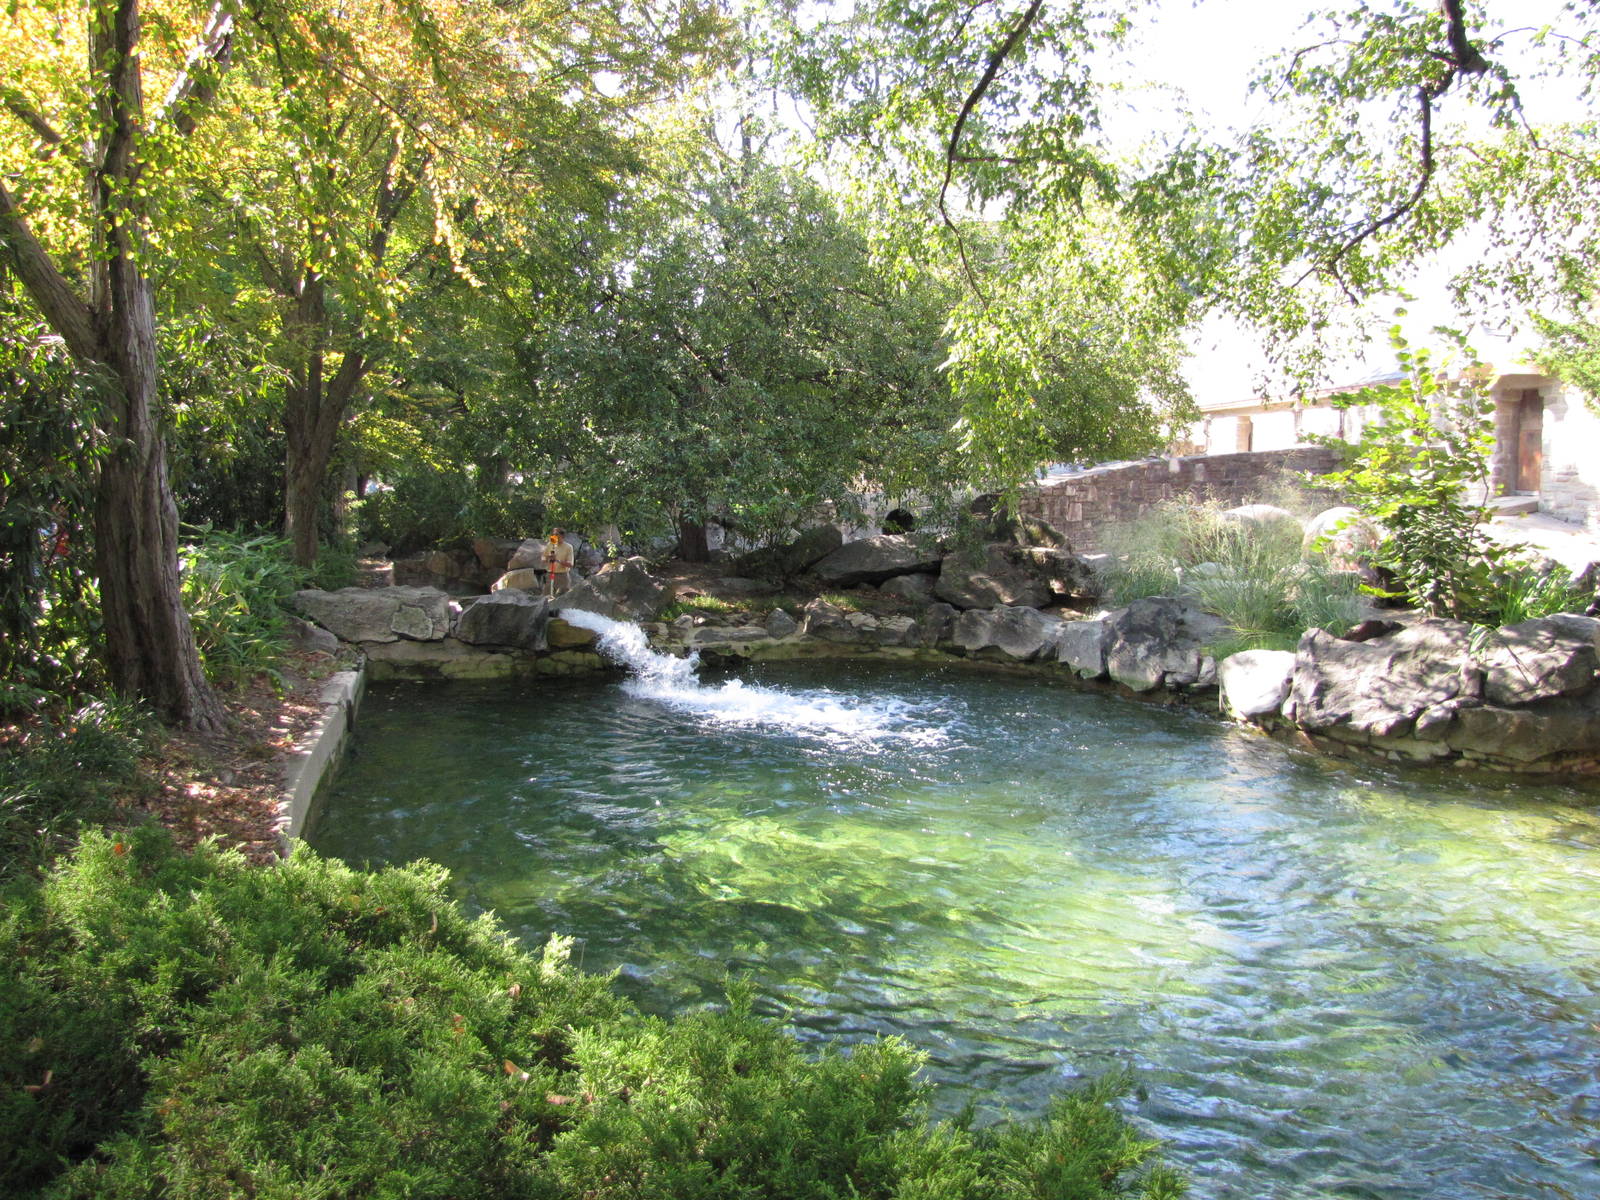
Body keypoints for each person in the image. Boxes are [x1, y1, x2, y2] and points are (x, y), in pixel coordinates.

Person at [542, 527, 575, 596]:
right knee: (546, 597)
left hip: (563, 576)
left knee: (564, 598)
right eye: (553, 534)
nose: (554, 536)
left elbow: (570, 564)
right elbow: (543, 558)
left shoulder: (568, 547)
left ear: (562, 536)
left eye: (556, 534)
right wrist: (548, 558)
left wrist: (557, 560)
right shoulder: (550, 544)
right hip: (550, 574)